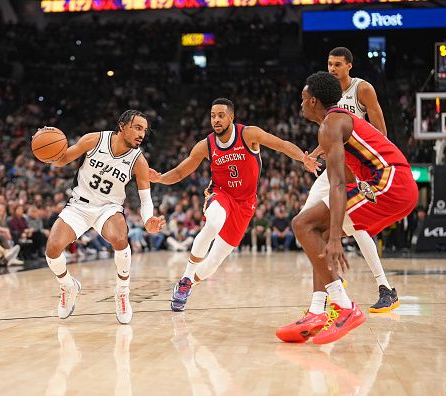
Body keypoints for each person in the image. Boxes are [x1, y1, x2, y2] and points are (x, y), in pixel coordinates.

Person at [277, 71, 418, 345]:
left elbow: (339, 184)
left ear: (314, 101)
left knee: (302, 224)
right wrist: (329, 233)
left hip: (392, 183)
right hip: (391, 185)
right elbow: (343, 178)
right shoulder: (336, 123)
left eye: (303, 98)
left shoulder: (331, 124)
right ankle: (318, 310)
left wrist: (334, 237)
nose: (300, 103)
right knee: (310, 228)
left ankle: (344, 307)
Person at [149, 98, 319, 311]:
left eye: (221, 115)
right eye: (213, 116)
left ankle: (188, 284)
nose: (216, 120)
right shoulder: (206, 145)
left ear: (231, 117)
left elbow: (281, 145)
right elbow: (181, 171)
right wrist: (159, 178)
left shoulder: (249, 134)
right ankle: (185, 278)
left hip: (245, 204)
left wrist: (303, 158)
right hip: (220, 194)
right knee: (213, 223)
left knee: (212, 263)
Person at [41, 110, 165, 324]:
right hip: (79, 205)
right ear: (122, 126)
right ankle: (68, 286)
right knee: (52, 249)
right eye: (137, 128)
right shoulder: (94, 140)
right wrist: (50, 153)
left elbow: (146, 200)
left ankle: (122, 292)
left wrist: (148, 221)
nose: (141, 134)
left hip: (108, 208)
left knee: (120, 239)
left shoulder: (139, 161)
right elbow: (62, 160)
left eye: (144, 130)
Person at [304, 47, 399, 314]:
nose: (332, 69)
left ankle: (385, 288)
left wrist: (372, 168)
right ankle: (331, 288)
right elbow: (331, 137)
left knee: (358, 228)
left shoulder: (362, 89)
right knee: (306, 219)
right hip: (336, 166)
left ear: (349, 66)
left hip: (360, 166)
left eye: (337, 64)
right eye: (329, 64)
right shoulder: (327, 96)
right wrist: (312, 155)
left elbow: (380, 132)